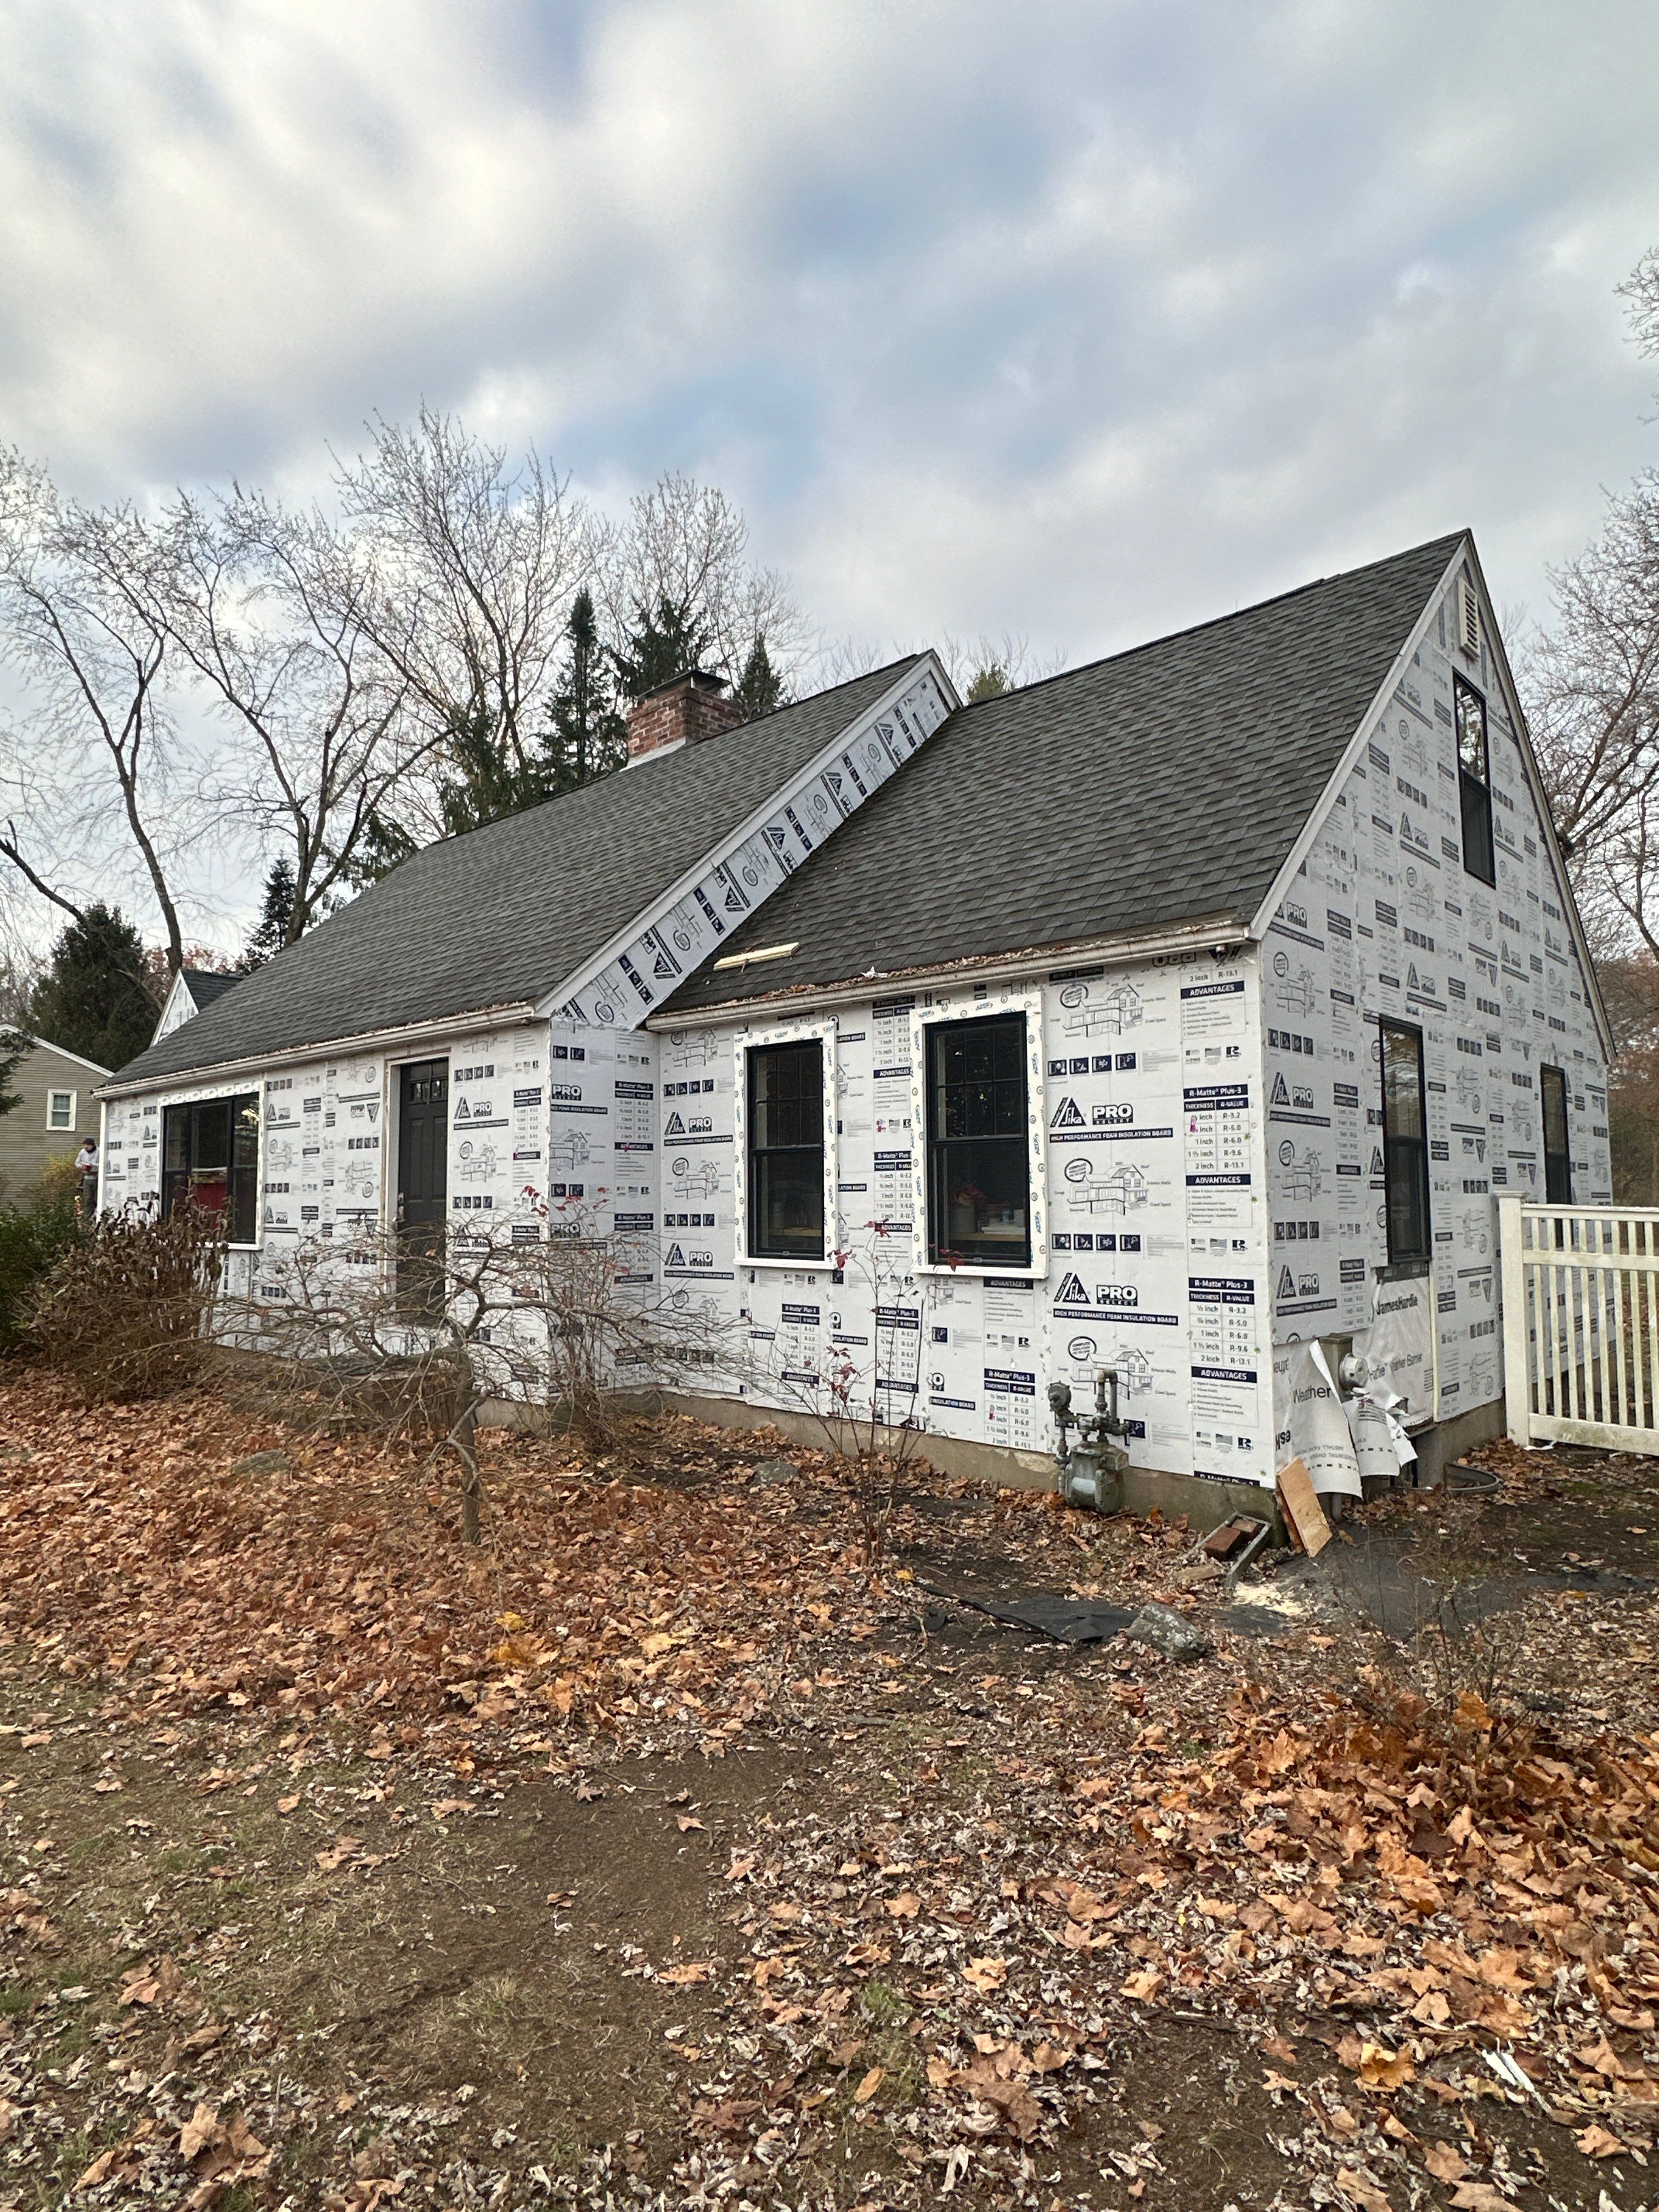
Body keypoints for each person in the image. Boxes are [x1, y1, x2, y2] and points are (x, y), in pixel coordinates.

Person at [73, 1135, 98, 1213]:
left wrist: (92, 1165)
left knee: (96, 1198)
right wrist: (82, 1167)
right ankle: (88, 1218)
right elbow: (77, 1163)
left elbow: (104, 1164)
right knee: (88, 1199)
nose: (86, 1147)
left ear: (92, 1145)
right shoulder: (82, 1152)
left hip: (97, 1176)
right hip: (87, 1177)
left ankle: (96, 1214)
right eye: (85, 1145)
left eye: (88, 1145)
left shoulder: (99, 1151)